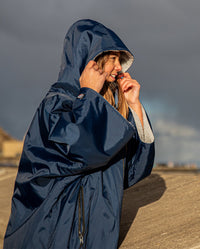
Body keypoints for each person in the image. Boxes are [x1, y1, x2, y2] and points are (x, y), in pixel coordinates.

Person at [4, 19, 155, 249]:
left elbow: (131, 172)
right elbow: (78, 150)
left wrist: (134, 108)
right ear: (90, 61)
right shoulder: (55, 105)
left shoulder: (102, 111)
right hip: (53, 237)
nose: (119, 67)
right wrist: (89, 94)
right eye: (112, 59)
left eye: (119, 60)